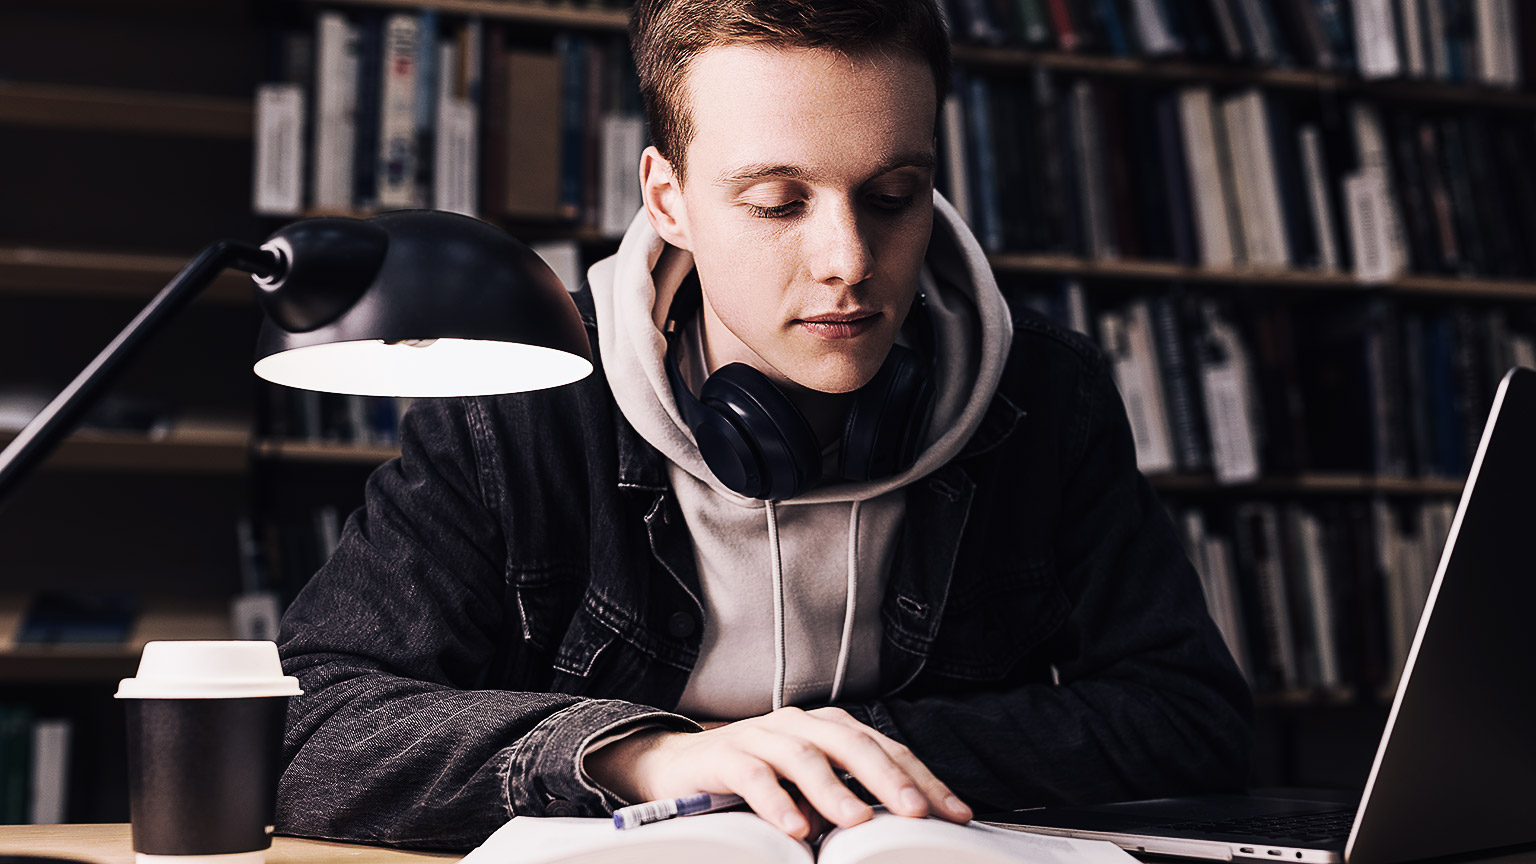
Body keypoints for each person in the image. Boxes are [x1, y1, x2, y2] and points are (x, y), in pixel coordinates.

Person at [274, 0, 1252, 849]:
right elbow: (314, 728)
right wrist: (646, 758)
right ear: (672, 202)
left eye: (894, 197)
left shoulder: (1046, 397)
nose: (848, 260)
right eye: (778, 203)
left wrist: (840, 759)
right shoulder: (525, 397)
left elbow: (1189, 717)